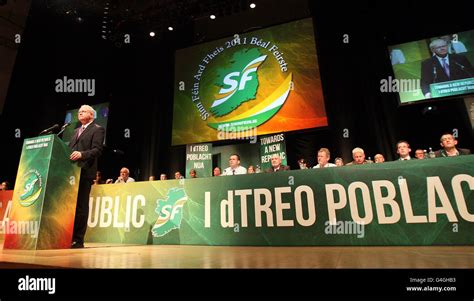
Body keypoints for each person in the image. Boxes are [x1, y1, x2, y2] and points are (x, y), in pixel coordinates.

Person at [69, 105, 105, 248]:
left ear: (91, 114)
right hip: (71, 173)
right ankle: (67, 236)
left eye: (83, 111)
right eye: (78, 112)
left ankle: (78, 240)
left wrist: (82, 154)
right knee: (69, 206)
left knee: (81, 206)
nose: (79, 113)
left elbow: (98, 150)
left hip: (85, 172)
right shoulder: (76, 131)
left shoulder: (97, 129)